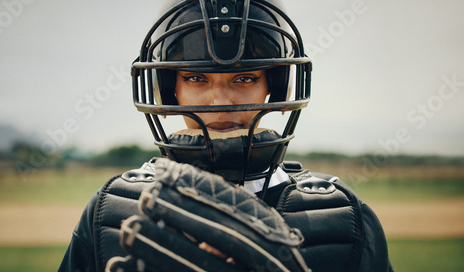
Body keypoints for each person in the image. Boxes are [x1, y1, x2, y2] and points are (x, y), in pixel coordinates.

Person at [59, 0, 393, 271]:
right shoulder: (111, 214)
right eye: (196, 78)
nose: (220, 103)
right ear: (168, 88)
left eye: (245, 78)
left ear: (273, 86)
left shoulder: (344, 221)